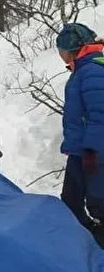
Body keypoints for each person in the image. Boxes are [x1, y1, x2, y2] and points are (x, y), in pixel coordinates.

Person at [56, 22, 104, 247]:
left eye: (60, 49)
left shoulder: (92, 70)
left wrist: (93, 150)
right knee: (71, 202)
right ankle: (83, 242)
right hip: (80, 150)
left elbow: (100, 113)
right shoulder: (82, 69)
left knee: (98, 202)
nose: (59, 54)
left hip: (93, 152)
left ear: (70, 47)